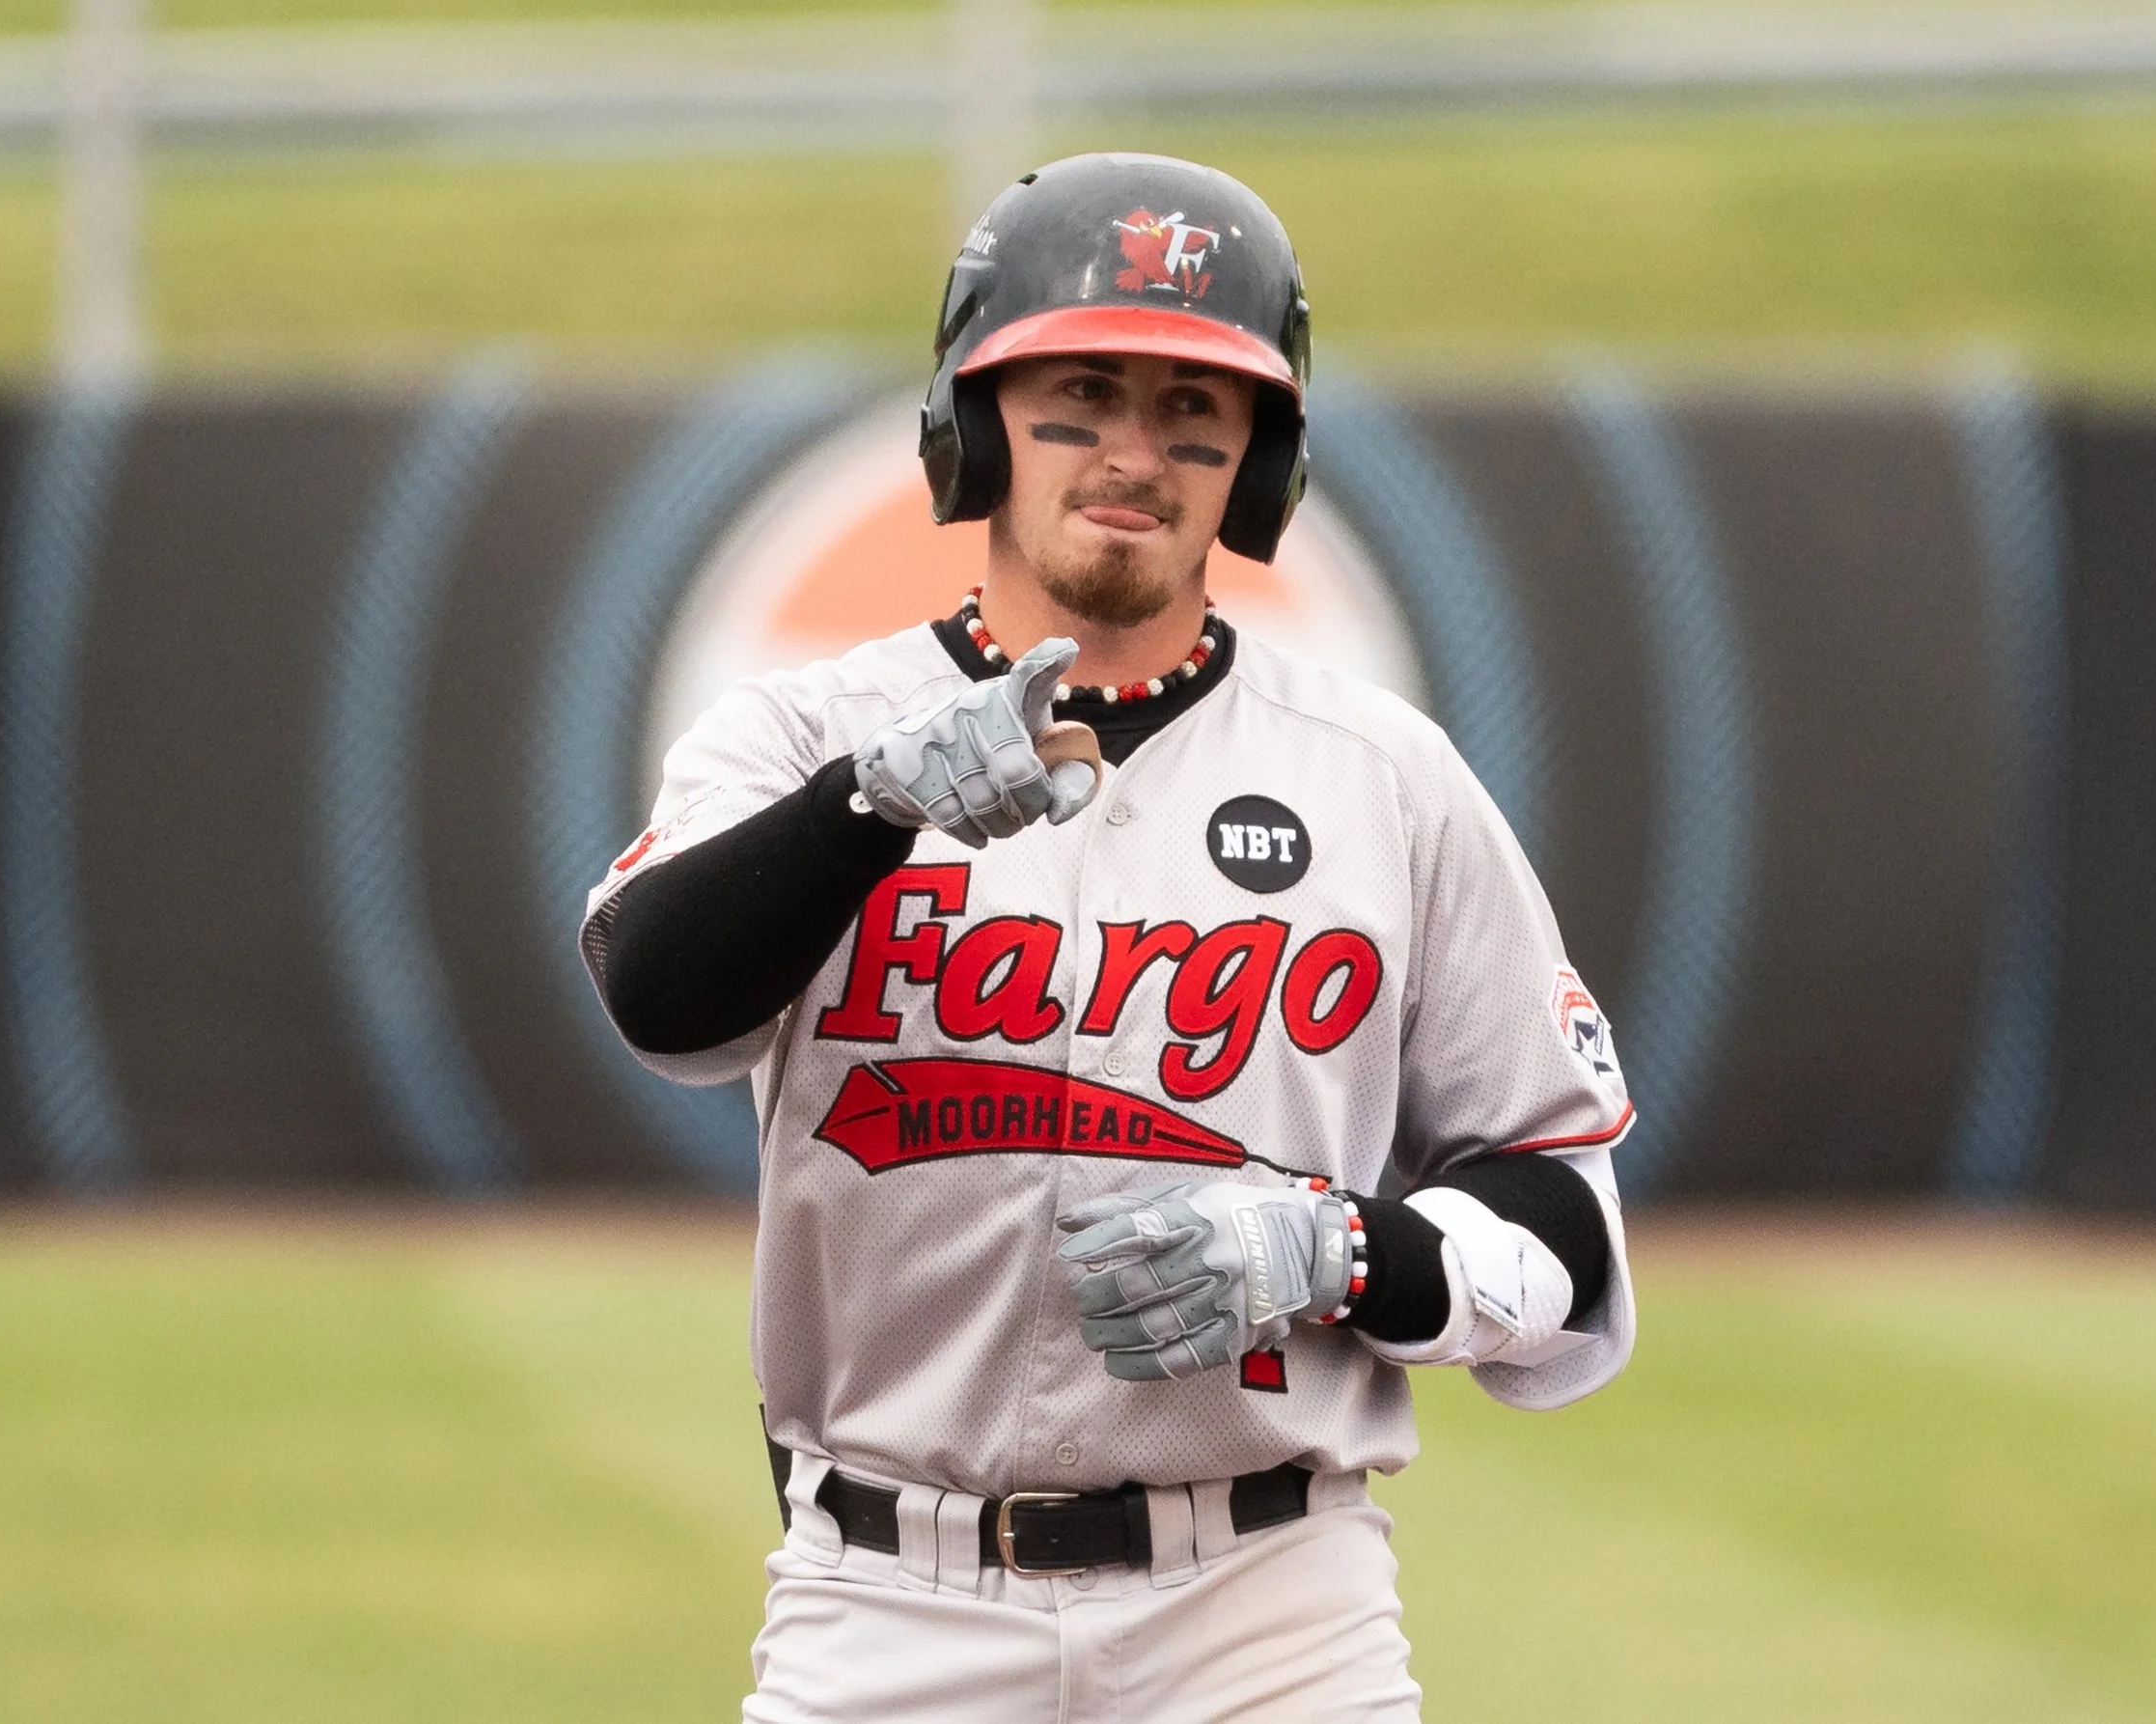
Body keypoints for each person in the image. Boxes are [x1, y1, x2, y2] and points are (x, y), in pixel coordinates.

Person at [582, 153, 1637, 1724]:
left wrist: (1345, 1246)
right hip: (886, 1599)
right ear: (976, 415)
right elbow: (664, 998)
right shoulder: (810, 729)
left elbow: (1567, 1221)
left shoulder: (1384, 777)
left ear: (1260, 457)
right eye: (1082, 388)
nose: (1135, 452)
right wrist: (865, 810)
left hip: (1271, 1615)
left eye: (1193, 407)